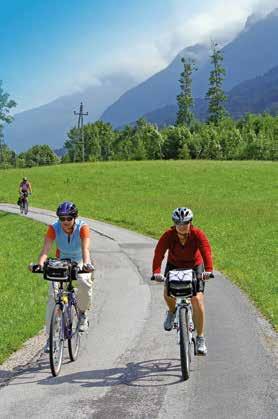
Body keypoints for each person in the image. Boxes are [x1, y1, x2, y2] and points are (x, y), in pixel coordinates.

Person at [30, 201, 94, 351]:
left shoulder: (82, 228)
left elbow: (85, 249)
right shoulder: (53, 228)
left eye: (68, 218)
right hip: (61, 261)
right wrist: (39, 264)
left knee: (84, 282)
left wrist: (86, 264)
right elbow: (46, 249)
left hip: (79, 261)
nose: (65, 222)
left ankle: (83, 313)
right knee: (53, 297)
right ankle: (51, 337)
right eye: (62, 218)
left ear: (74, 217)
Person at [152, 207, 213, 355]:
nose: (182, 226)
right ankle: (172, 312)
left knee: (197, 299)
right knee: (167, 291)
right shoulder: (168, 235)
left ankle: (200, 338)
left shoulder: (197, 234)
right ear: (174, 224)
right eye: (178, 223)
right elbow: (159, 253)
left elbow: (206, 250)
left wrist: (208, 270)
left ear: (190, 222)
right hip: (174, 266)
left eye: (185, 223)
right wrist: (156, 272)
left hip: (195, 266)